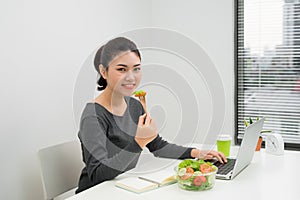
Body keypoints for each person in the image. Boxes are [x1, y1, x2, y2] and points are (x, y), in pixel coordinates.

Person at [76, 37, 227, 193]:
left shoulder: (134, 105)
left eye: (136, 68)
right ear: (103, 71)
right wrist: (138, 143)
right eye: (121, 69)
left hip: (124, 187)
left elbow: (158, 146)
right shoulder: (93, 116)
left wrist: (196, 153)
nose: (131, 77)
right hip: (97, 192)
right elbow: (97, 174)